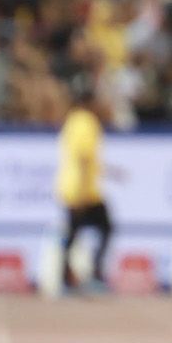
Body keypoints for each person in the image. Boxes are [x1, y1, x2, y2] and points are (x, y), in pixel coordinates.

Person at [55, 82, 113, 291]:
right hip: (83, 191)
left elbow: (84, 157)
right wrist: (80, 191)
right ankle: (93, 273)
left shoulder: (71, 121)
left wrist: (109, 171)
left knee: (73, 233)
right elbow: (82, 157)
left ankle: (65, 279)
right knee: (105, 228)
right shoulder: (88, 122)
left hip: (70, 187)